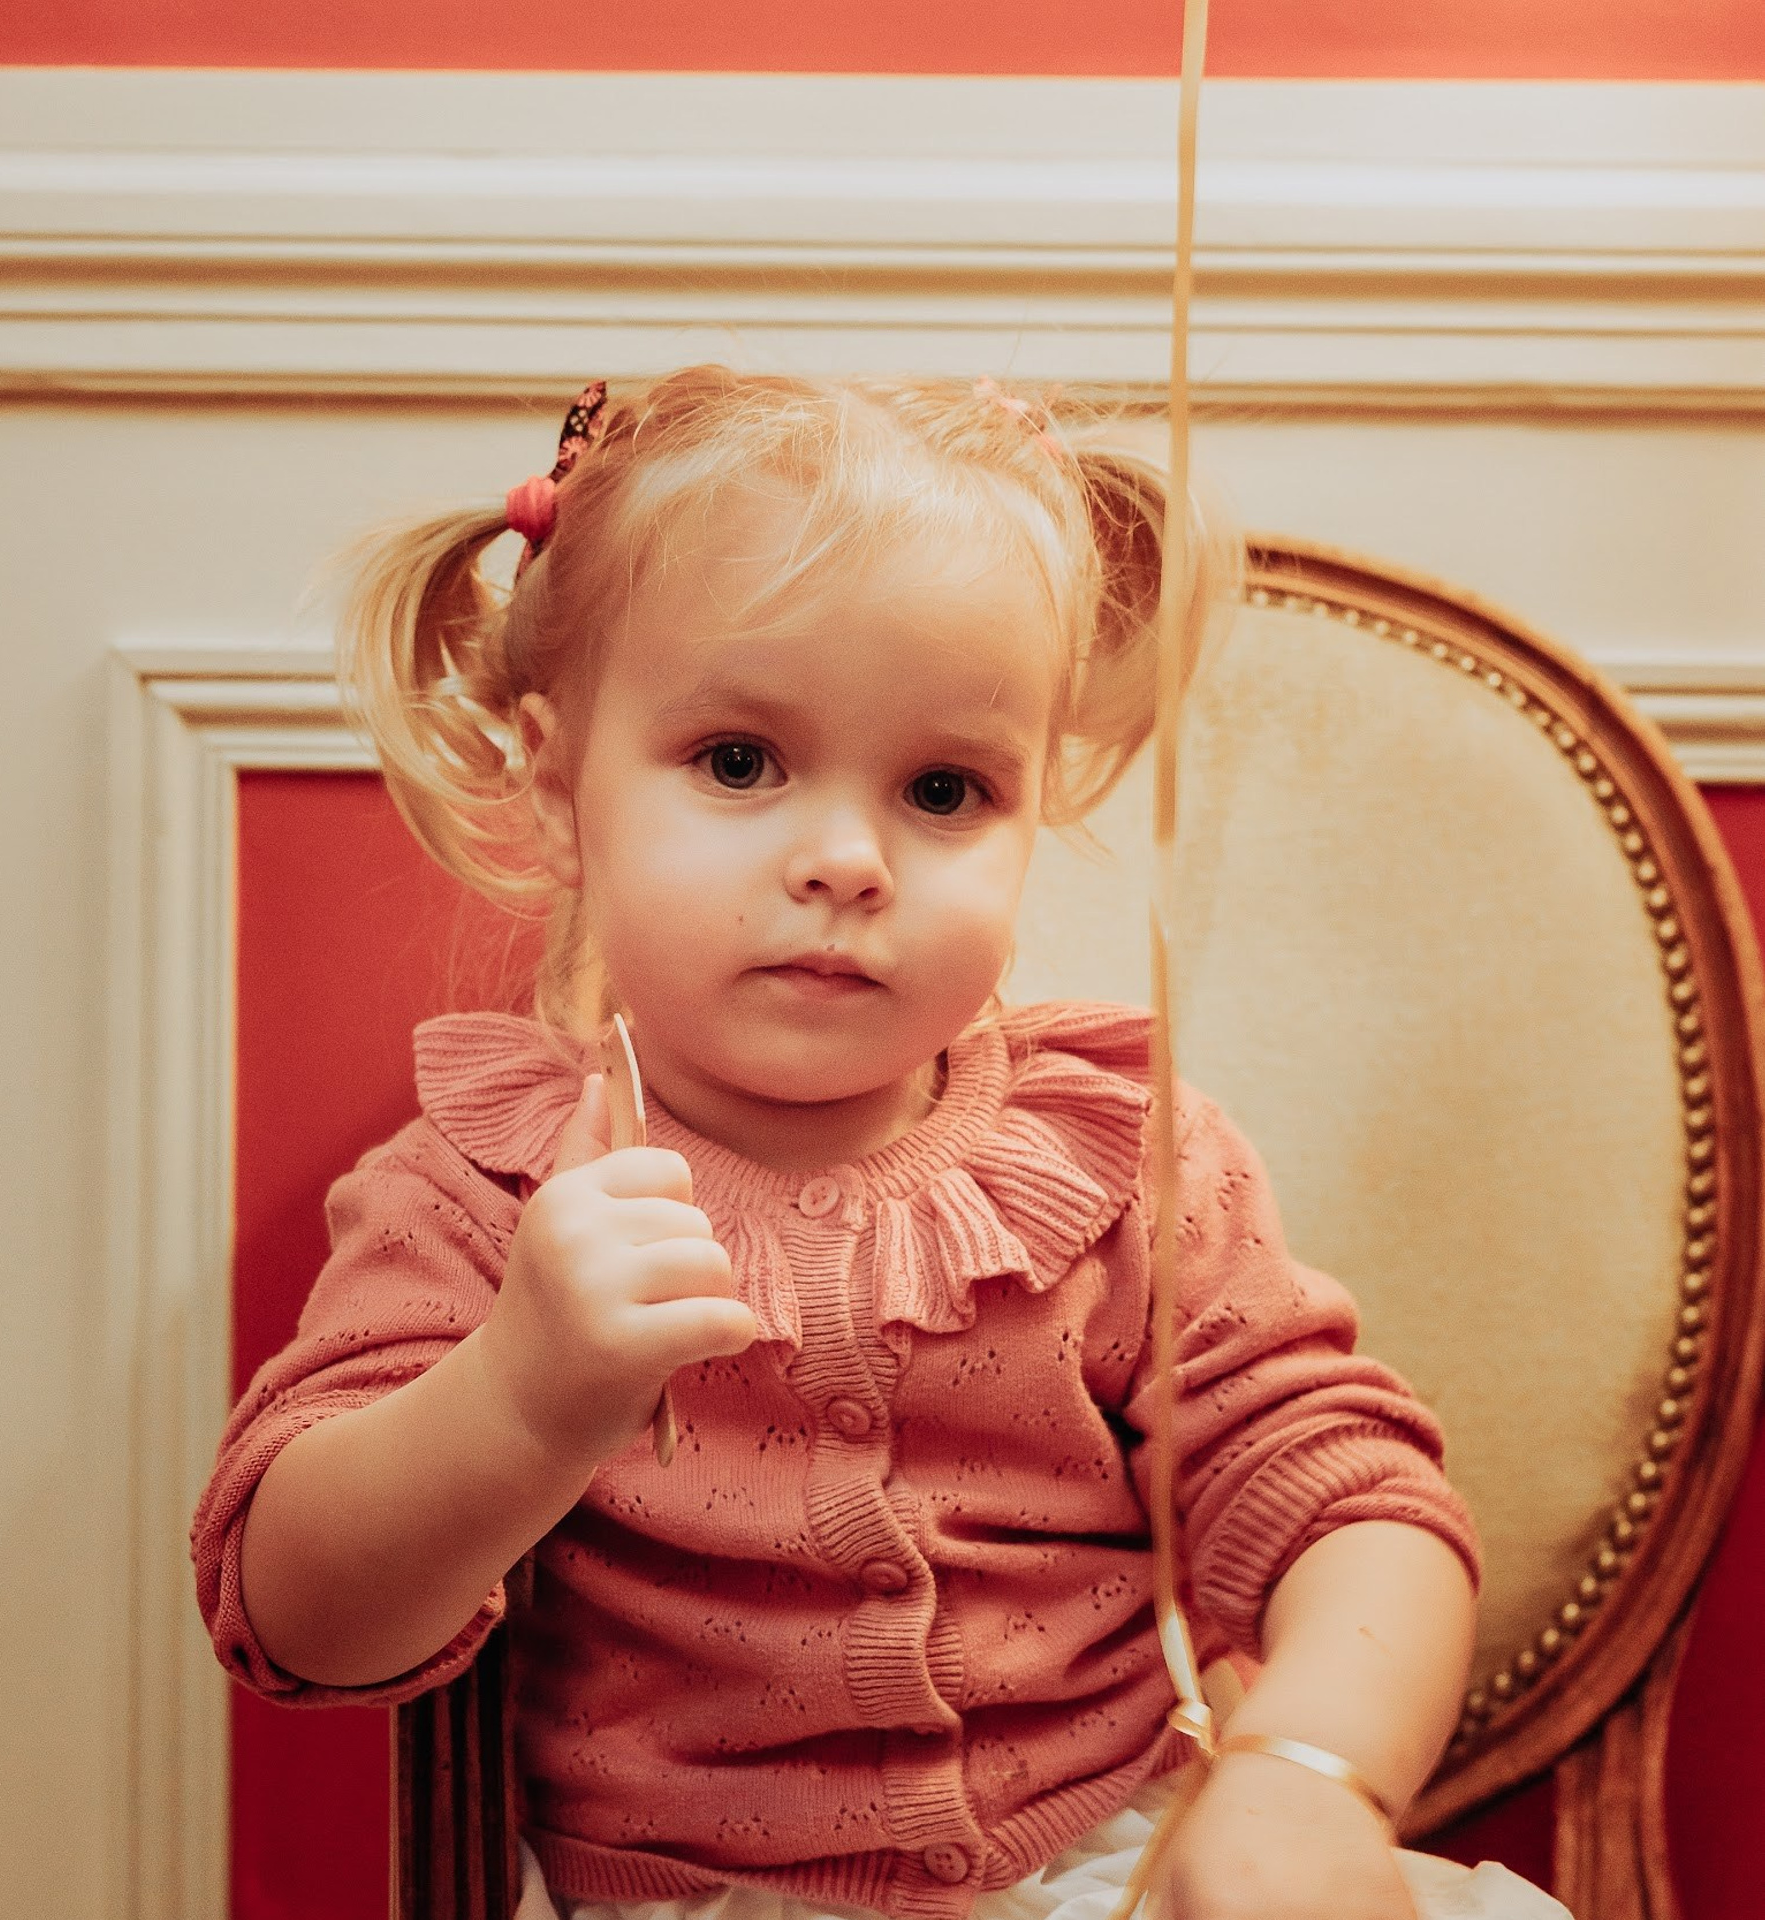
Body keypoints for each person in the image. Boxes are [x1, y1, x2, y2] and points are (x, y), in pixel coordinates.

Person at [192, 369, 1565, 1920]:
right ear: (562, 787)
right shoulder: (491, 1188)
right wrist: (523, 1388)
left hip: (1116, 1866)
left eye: (942, 789)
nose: (846, 859)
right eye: (737, 762)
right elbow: (294, 1616)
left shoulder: (1116, 1158)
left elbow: (1349, 1500)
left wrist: (1310, 1777)